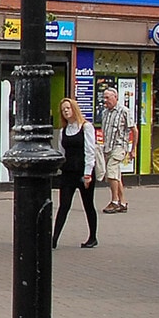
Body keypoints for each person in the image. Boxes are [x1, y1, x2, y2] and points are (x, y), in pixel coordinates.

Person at [51, 97, 100, 249]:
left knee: (88, 204)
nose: (66, 111)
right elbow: (62, 151)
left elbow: (90, 151)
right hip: (68, 172)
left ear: (74, 109)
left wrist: (87, 174)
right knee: (64, 205)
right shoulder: (63, 131)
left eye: (68, 108)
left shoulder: (86, 127)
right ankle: (54, 239)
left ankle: (92, 237)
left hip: (83, 170)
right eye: (63, 110)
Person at [98, 86, 137, 213]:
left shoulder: (124, 111)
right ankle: (123, 202)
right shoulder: (104, 113)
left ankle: (114, 201)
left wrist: (133, 149)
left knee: (111, 171)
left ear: (115, 97)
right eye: (104, 97)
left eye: (108, 97)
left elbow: (134, 130)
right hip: (108, 147)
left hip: (119, 146)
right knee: (116, 175)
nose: (105, 100)